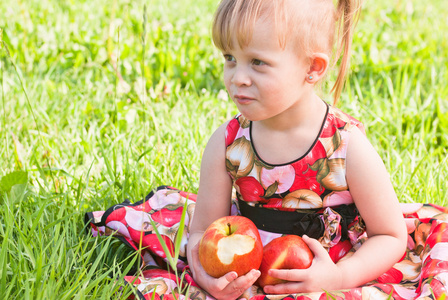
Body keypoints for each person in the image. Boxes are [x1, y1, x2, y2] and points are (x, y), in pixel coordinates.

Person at [185, 0, 408, 299]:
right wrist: (207, 276)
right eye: (230, 58)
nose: (237, 77)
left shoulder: (345, 147)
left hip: (332, 276)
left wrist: (340, 276)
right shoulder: (229, 144)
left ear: (312, 68)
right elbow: (202, 232)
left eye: (257, 62)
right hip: (248, 277)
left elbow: (390, 236)